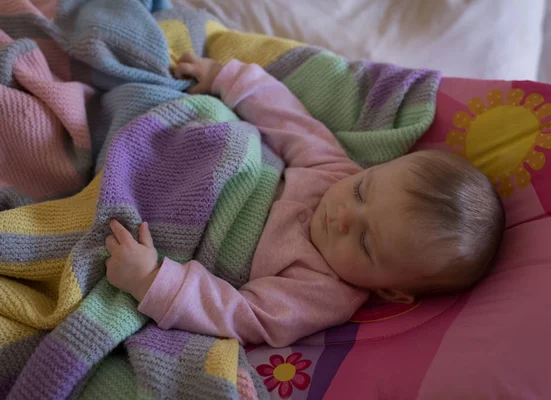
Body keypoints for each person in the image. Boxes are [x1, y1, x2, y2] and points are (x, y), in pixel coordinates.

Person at [104, 54, 505, 348]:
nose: (345, 216)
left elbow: (241, 315)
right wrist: (226, 77)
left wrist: (152, 280)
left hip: (181, 229)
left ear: (390, 291)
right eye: (363, 191)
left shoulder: (323, 294)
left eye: (365, 242)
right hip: (205, 157)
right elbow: (286, 118)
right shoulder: (336, 171)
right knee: (211, 117)